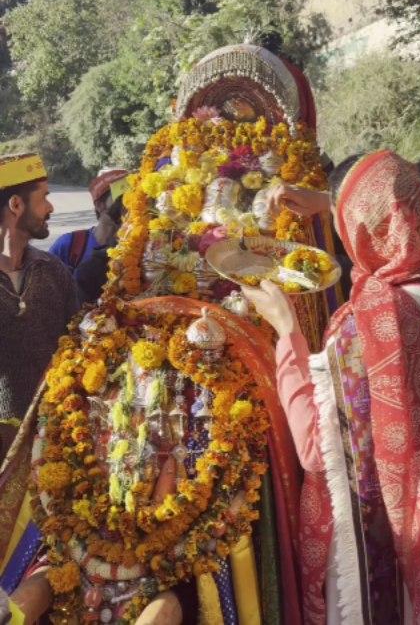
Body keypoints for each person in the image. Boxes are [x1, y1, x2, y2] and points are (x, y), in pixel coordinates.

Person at [1, 44, 341, 624]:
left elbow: (293, 271)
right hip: (130, 357)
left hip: (231, 334)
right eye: (216, 112)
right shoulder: (165, 184)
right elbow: (122, 286)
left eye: (239, 111)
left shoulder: (278, 175)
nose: (225, 117)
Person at [244, 150, 420, 624]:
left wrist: (286, 327)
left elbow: (316, 449)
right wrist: (328, 201)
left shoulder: (372, 321)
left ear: (357, 225)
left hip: (377, 544)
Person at [0, 153, 79, 450]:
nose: (50, 207)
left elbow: (77, 342)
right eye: (44, 197)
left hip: (55, 438)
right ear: (16, 205)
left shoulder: (51, 269)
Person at [49, 168, 128, 271]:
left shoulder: (142, 248)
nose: (128, 205)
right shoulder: (69, 245)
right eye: (121, 199)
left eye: (133, 198)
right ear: (100, 205)